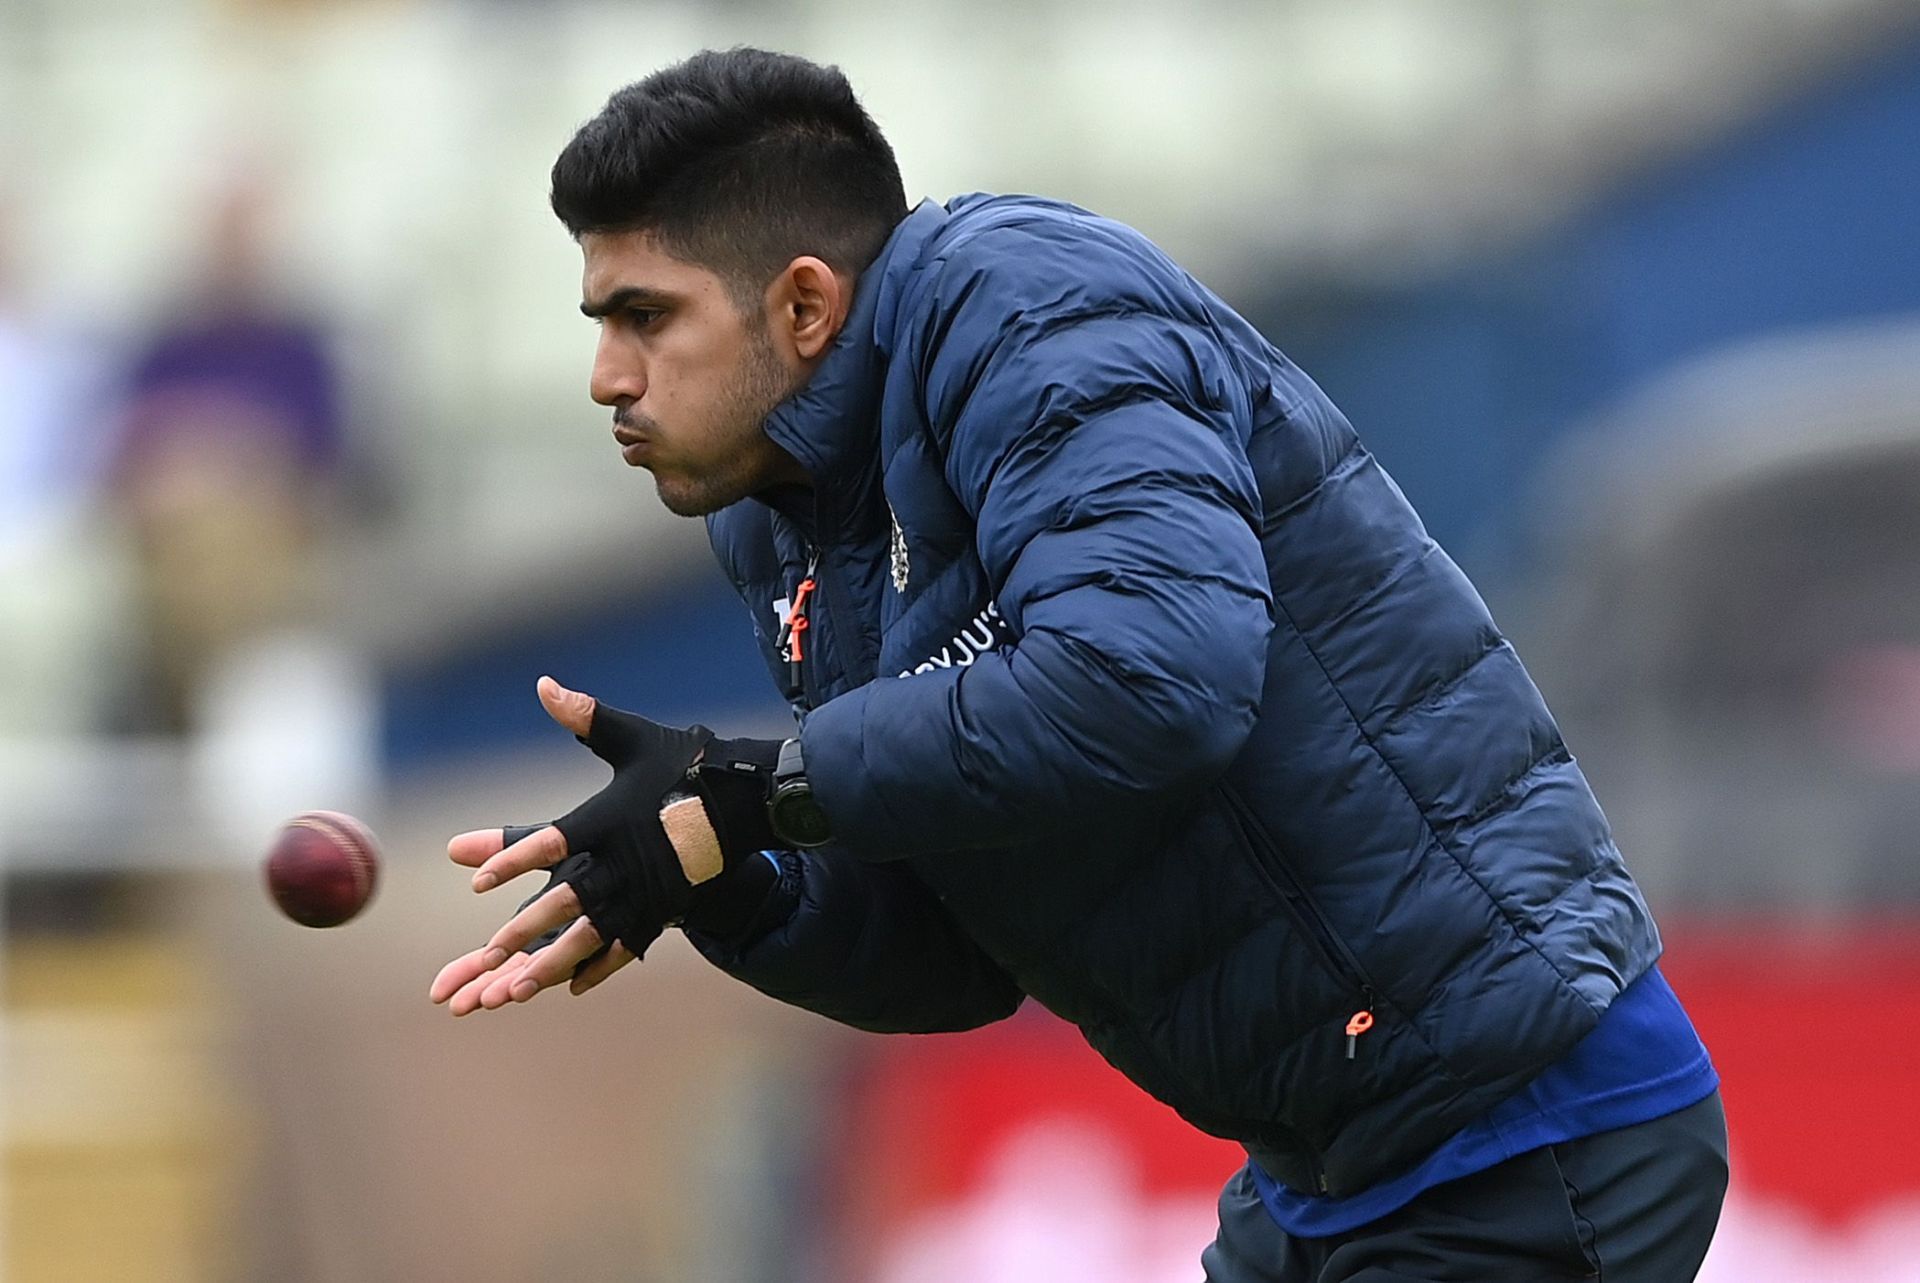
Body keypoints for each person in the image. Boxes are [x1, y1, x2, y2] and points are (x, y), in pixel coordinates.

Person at [428, 49, 1728, 1281]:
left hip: (1521, 1122)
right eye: (599, 321)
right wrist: (724, 880)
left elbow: (1155, 680)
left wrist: (765, 784)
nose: (605, 376)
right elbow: (967, 939)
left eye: (645, 318)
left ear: (807, 304)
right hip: (1330, 1170)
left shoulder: (1029, 305)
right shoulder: (775, 517)